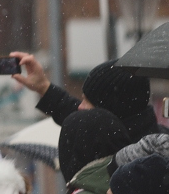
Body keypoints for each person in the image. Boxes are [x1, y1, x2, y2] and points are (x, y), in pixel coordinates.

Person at [10, 53, 159, 139]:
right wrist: (43, 87)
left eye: (88, 102)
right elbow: (75, 112)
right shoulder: (119, 137)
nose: (80, 106)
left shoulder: (144, 168)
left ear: (111, 112)